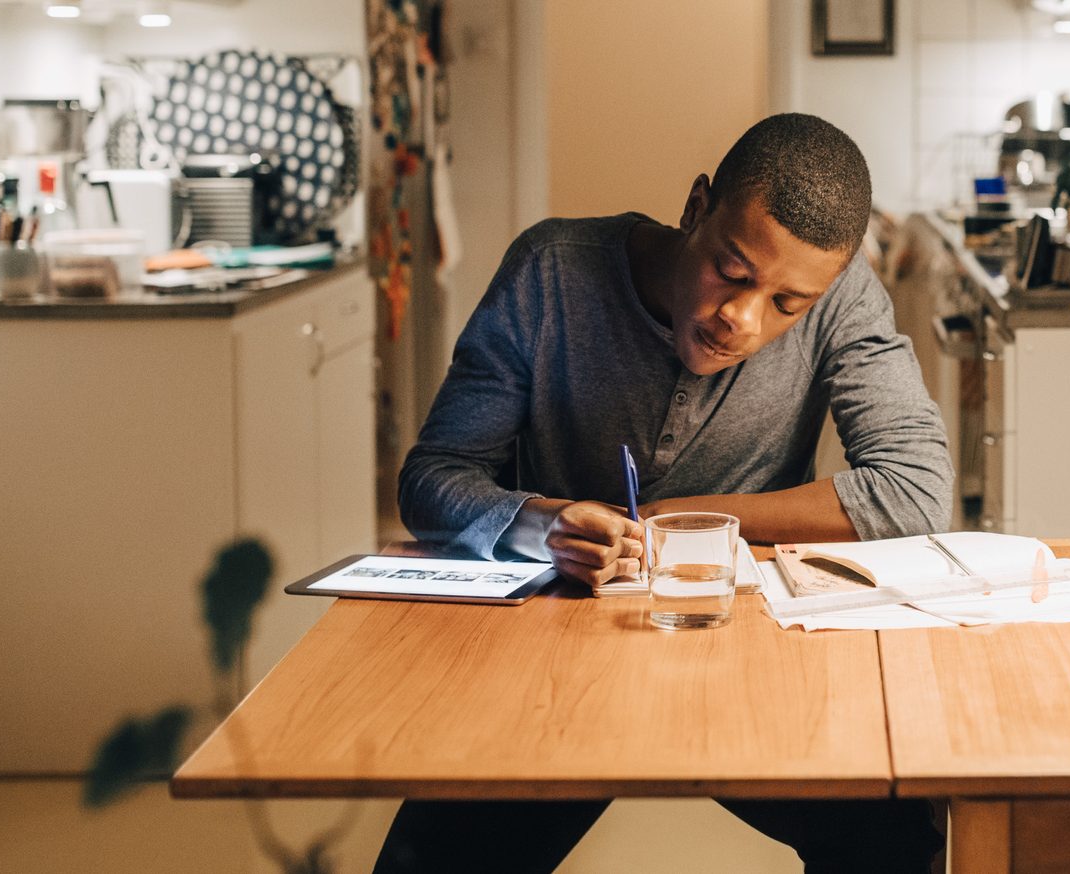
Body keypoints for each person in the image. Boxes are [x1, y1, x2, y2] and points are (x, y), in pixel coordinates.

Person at [381, 113, 950, 873]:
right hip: (552, 651)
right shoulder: (550, 271)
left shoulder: (842, 297)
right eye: (733, 272)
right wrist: (540, 523)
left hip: (747, 647)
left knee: (896, 838)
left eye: (786, 305)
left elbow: (913, 491)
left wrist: (673, 524)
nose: (740, 320)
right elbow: (432, 476)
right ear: (695, 208)